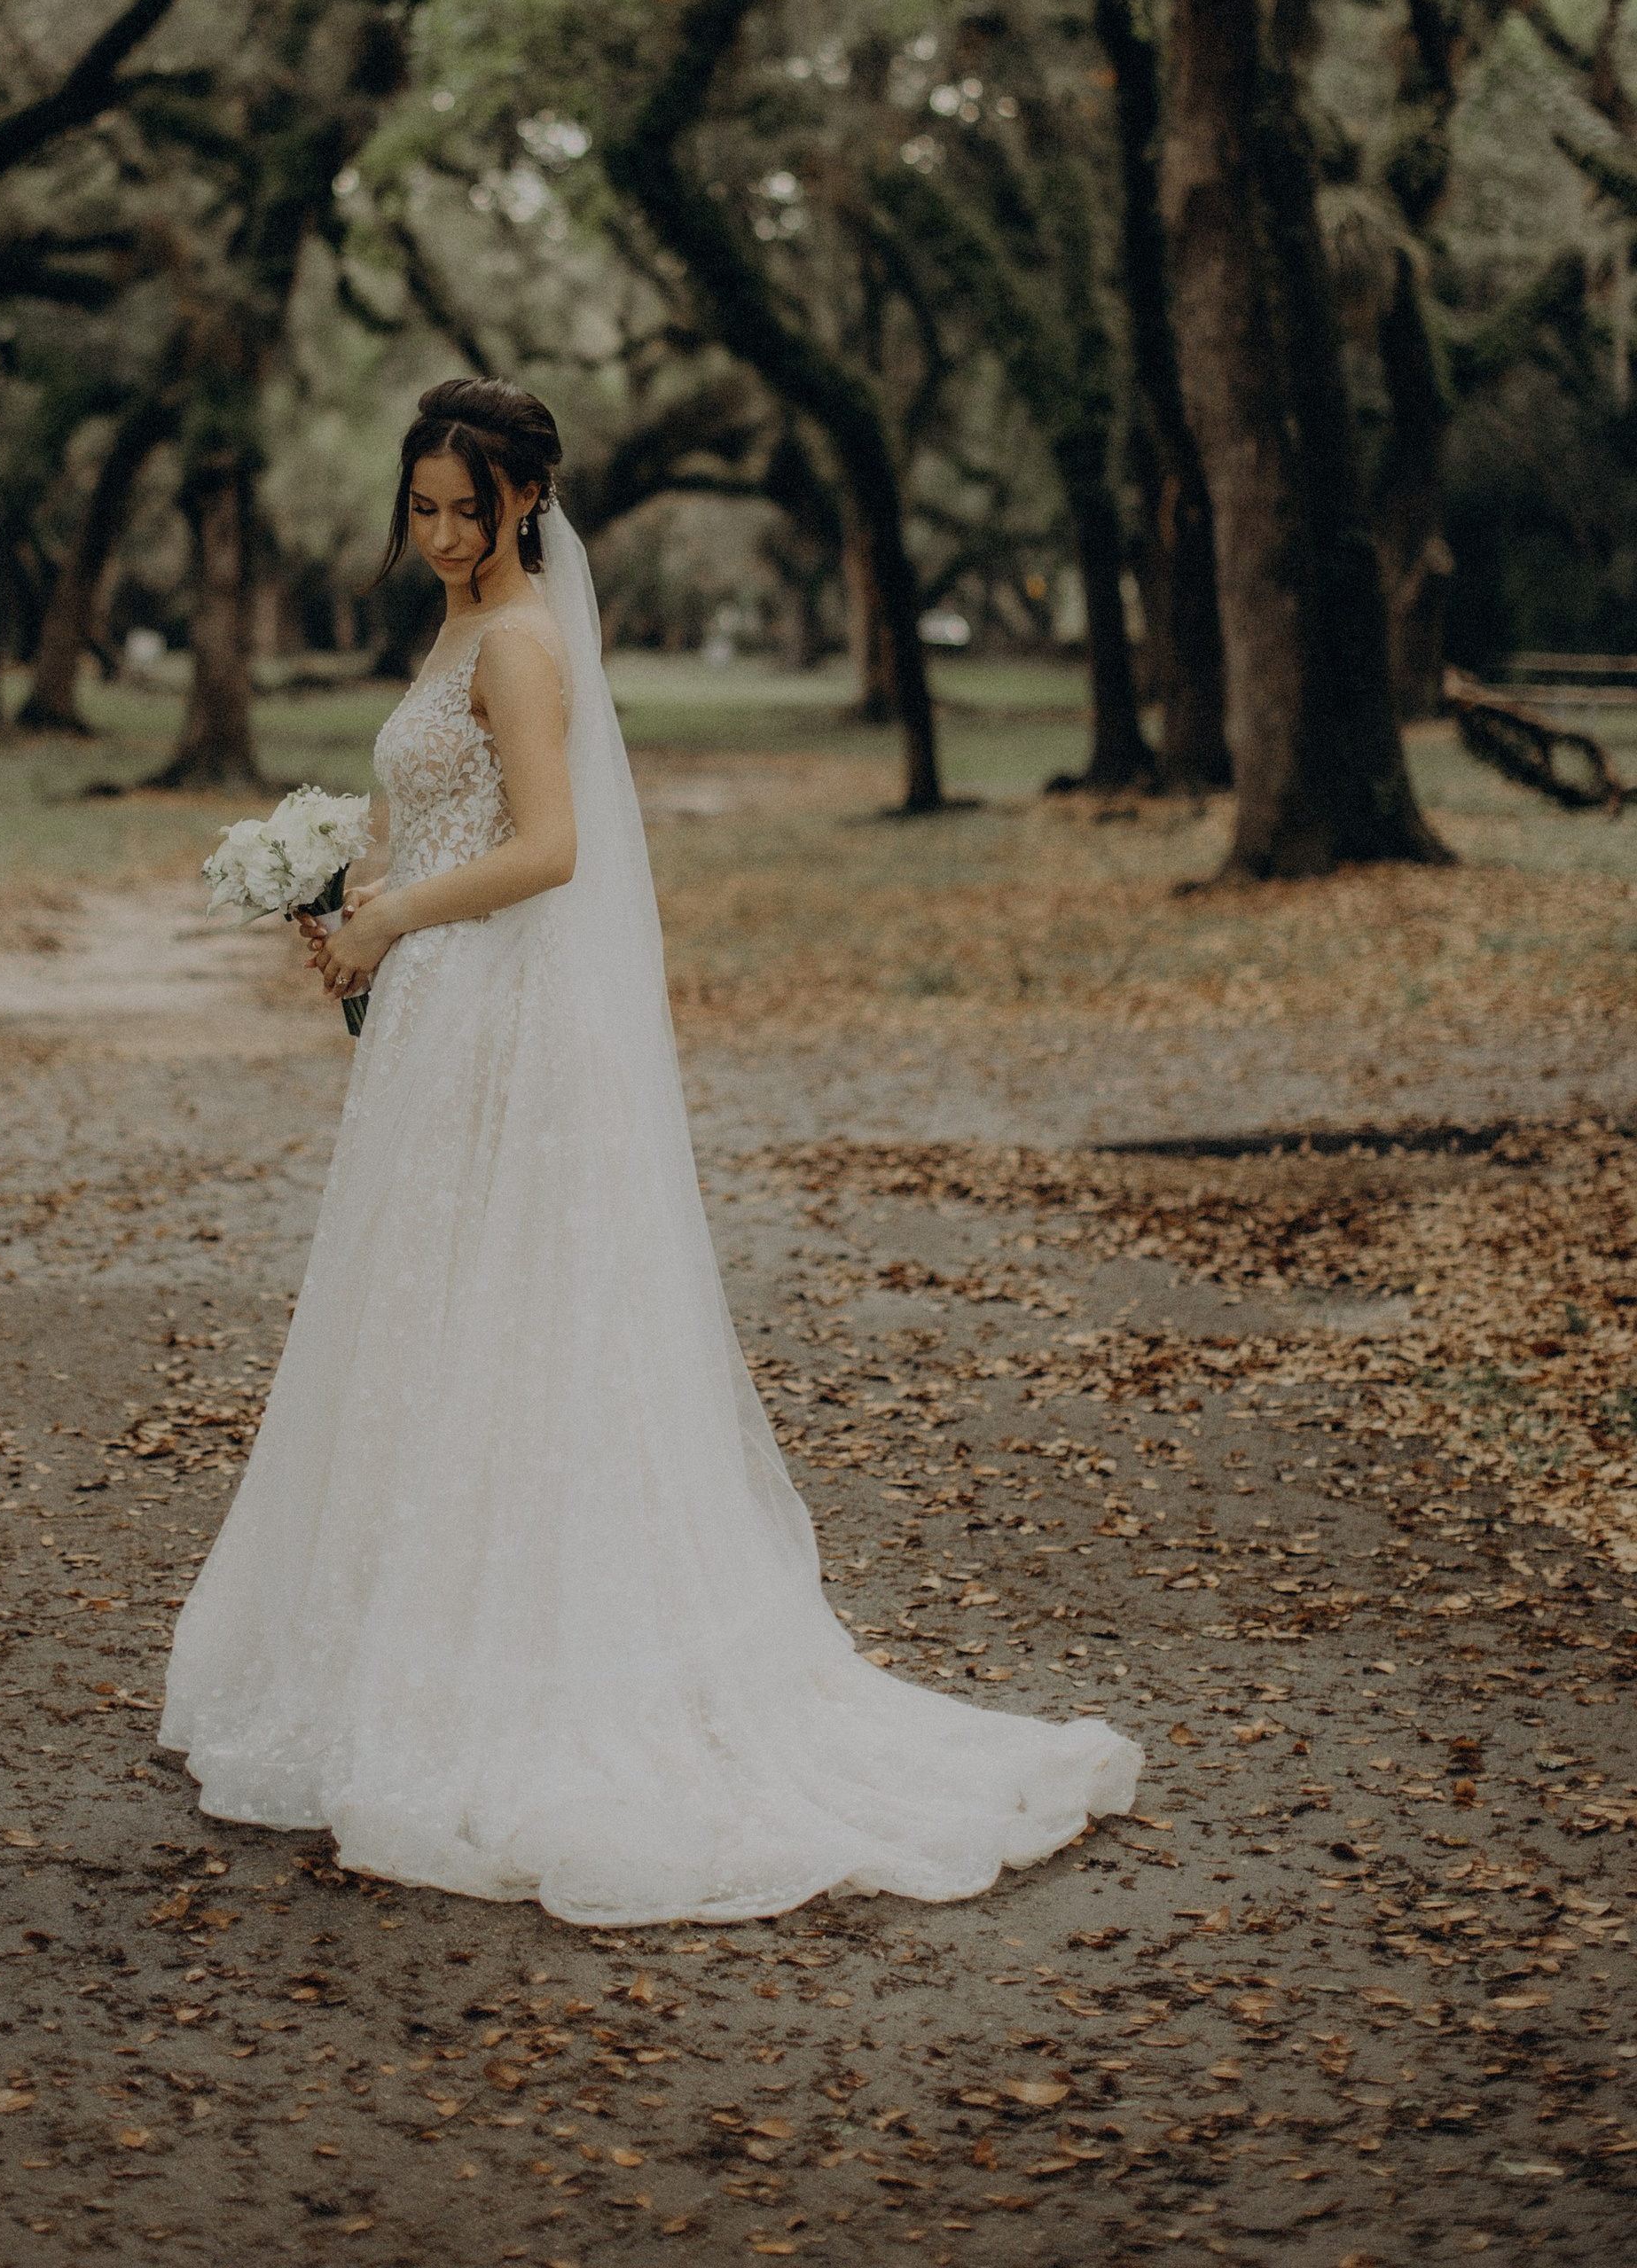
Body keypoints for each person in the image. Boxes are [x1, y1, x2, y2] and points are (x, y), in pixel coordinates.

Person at [160, 377, 1140, 1925]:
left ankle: (525, 1677)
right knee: (427, 1335)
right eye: (420, 507)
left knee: (508, 1332)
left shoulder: (529, 635)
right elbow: (443, 801)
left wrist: (396, 916)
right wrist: (345, 893)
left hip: (495, 1023)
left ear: (525, 505)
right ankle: (392, 1647)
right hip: (437, 1015)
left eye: (464, 512)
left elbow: (549, 851)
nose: (438, 535)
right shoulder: (462, 621)